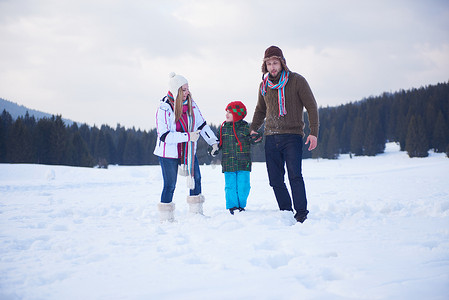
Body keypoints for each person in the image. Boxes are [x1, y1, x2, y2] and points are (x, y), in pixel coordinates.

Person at [249, 46, 319, 223]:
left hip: (292, 135)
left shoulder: (297, 81)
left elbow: (311, 106)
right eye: (269, 63)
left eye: (275, 62)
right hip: (271, 136)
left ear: (282, 62)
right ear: (265, 66)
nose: (272, 67)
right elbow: (260, 109)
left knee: (295, 175)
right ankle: (286, 210)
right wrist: (254, 127)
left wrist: (314, 132)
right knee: (275, 179)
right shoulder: (264, 85)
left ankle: (301, 212)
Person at [154, 72, 219, 222]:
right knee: (170, 184)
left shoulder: (191, 104)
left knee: (196, 178)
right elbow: (164, 136)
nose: (187, 92)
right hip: (168, 153)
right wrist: (188, 136)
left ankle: (196, 213)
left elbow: (201, 125)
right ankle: (166, 217)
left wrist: (213, 142)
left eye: (187, 88)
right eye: (183, 89)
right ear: (175, 90)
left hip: (188, 151)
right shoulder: (163, 109)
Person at [214, 101, 261, 215]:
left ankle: (241, 205)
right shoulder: (223, 129)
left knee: (244, 186)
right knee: (230, 186)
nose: (226, 114)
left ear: (237, 114)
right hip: (228, 163)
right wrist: (213, 148)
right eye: (226, 112)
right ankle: (233, 206)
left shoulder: (246, 128)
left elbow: (253, 139)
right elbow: (217, 143)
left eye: (229, 112)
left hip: (243, 163)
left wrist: (256, 137)